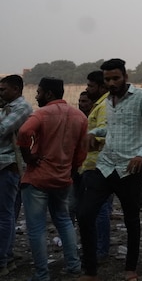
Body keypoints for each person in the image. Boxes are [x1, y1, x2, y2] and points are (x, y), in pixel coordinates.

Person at [79, 58, 142, 281]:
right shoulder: (108, 100)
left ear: (125, 77)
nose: (111, 82)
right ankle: (90, 271)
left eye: (116, 78)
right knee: (85, 214)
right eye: (107, 79)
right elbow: (113, 128)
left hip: (129, 168)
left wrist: (141, 154)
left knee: (131, 219)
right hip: (105, 165)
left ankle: (130, 268)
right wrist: (94, 133)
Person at [18, 77, 89, 281]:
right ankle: (74, 266)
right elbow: (81, 150)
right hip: (62, 179)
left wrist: (28, 157)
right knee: (64, 220)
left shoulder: (41, 113)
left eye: (39, 92)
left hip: (38, 179)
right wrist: (72, 170)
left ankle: (42, 274)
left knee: (36, 227)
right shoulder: (80, 117)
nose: (36, 96)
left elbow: (24, 131)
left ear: (48, 94)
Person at [0, 75, 33, 277]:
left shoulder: (22, 108)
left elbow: (2, 129)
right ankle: (8, 257)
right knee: (7, 215)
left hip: (7, 166)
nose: (0, 93)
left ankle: (2, 260)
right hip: (5, 166)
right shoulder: (7, 106)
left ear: (16, 89)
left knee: (5, 216)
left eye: (3, 89)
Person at [79, 71, 112, 260]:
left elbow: (104, 134)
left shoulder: (104, 107)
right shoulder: (99, 105)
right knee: (97, 211)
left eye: (91, 86)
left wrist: (89, 140)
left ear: (101, 87)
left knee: (98, 211)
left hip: (98, 166)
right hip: (93, 165)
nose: (87, 89)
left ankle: (100, 250)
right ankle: (97, 249)